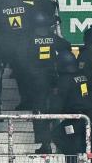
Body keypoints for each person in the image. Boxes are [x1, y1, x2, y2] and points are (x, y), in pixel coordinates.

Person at [19, 11, 69, 153]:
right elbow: (66, 45)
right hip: (52, 79)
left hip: (35, 81)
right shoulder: (52, 37)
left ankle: (45, 144)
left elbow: (21, 57)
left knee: (39, 112)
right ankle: (56, 142)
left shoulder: (29, 39)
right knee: (53, 112)